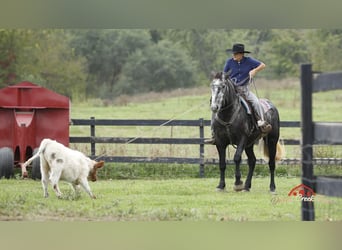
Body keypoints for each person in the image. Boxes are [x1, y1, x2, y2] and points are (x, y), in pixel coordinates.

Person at [205, 43, 272, 145]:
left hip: (245, 90)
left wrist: (254, 70)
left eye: (236, 54)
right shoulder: (229, 62)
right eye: (233, 54)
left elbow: (263, 65)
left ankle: (261, 124)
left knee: (256, 102)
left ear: (241, 54)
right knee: (216, 107)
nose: (234, 56)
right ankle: (214, 134)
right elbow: (224, 76)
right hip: (232, 91)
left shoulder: (249, 61)